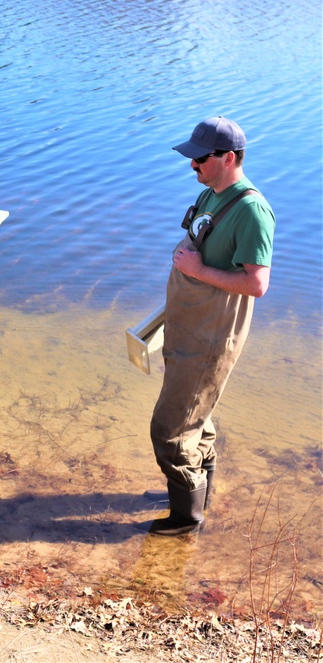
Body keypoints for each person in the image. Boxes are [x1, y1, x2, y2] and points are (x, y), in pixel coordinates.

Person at [147, 116, 275, 536]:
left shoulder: (252, 210)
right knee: (196, 419)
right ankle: (198, 488)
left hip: (210, 339)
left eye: (201, 158)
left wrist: (198, 271)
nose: (193, 166)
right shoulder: (210, 194)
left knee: (168, 431)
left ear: (230, 158)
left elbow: (257, 284)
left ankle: (187, 519)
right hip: (188, 328)